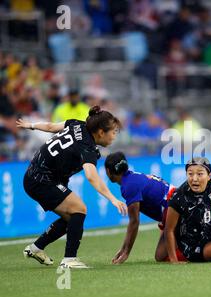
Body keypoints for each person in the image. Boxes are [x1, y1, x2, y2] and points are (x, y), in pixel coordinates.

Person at [16, 106, 128, 269]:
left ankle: (36, 248)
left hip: (35, 174)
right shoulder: (87, 147)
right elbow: (91, 176)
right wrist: (113, 199)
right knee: (79, 209)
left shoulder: (78, 124)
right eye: (113, 131)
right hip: (41, 179)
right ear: (101, 132)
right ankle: (69, 260)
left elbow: (50, 127)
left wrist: (31, 125)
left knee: (72, 218)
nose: (115, 135)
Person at [104, 151, 186, 264]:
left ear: (108, 171)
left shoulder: (129, 186)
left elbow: (134, 222)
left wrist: (126, 252)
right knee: (160, 256)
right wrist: (123, 249)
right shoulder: (132, 177)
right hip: (176, 205)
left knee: (161, 256)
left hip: (175, 209)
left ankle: (196, 252)